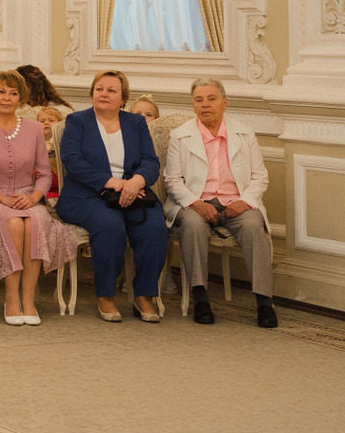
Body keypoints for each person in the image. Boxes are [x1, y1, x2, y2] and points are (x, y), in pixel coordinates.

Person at [162, 79, 277, 328]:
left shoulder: (244, 133)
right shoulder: (180, 135)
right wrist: (196, 203)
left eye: (211, 99)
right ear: (193, 105)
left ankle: (264, 302)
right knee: (193, 226)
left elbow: (260, 177)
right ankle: (201, 299)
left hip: (237, 203)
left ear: (225, 102)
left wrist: (244, 202)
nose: (205, 104)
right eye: (199, 100)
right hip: (195, 204)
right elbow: (172, 180)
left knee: (253, 227)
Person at [0, 72, 75, 325]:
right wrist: (0, 198)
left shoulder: (34, 129)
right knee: (14, 223)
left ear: (21, 99)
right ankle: (11, 298)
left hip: (28, 197)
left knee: (34, 222)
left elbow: (45, 174)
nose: (7, 98)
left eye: (13, 93)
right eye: (2, 92)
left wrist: (34, 197)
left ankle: (29, 299)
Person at [57, 70, 165, 323]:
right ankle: (105, 295)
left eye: (111, 90)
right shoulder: (77, 121)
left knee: (154, 227)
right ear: (92, 93)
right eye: (99, 89)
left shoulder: (135, 123)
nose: (103, 94)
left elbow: (150, 161)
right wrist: (113, 183)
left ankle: (144, 296)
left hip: (133, 191)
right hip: (87, 194)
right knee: (110, 225)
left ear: (123, 99)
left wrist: (136, 182)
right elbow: (73, 161)